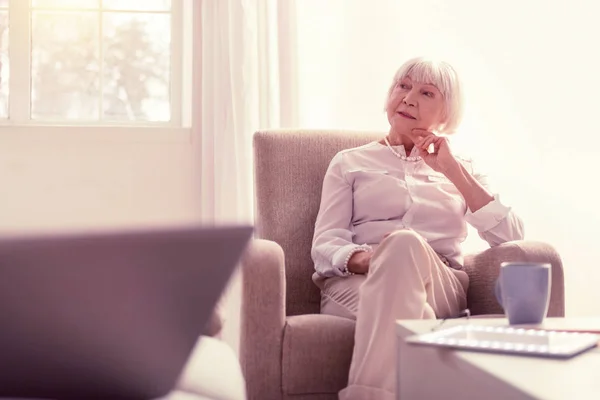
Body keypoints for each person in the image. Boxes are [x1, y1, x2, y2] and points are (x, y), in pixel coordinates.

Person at [310, 57, 524, 399]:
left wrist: (452, 171)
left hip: (440, 282)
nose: (409, 98)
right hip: (356, 282)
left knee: (406, 245)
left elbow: (511, 238)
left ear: (446, 114)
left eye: (426, 93)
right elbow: (325, 244)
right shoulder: (348, 162)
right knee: (411, 295)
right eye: (403, 86)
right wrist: (370, 259)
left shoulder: (461, 168)